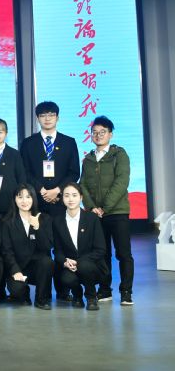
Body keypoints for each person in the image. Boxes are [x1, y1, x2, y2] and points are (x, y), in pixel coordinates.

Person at [20, 101, 80, 301]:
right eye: (43, 115)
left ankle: (63, 291)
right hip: (37, 203)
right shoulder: (28, 143)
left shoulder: (69, 142)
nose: (47, 119)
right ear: (37, 118)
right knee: (41, 247)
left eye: (51, 115)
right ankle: (43, 292)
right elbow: (25, 171)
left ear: (57, 117)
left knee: (63, 245)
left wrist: (57, 190)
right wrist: (41, 190)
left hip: (61, 203)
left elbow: (74, 172)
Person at [79, 116, 134, 306]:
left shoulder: (119, 154)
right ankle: (104, 290)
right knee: (102, 254)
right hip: (95, 214)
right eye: (94, 132)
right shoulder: (88, 159)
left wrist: (105, 207)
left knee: (123, 253)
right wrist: (91, 207)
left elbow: (121, 182)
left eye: (102, 132)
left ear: (110, 134)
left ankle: (126, 292)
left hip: (117, 212)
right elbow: (82, 185)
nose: (98, 135)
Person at [52, 183, 109, 311]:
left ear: (81, 197)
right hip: (70, 266)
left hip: (92, 265)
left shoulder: (92, 218)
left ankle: (91, 297)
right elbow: (57, 250)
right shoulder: (57, 221)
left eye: (74, 195)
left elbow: (100, 249)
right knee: (66, 279)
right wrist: (65, 262)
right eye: (67, 195)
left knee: (84, 266)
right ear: (62, 198)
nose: (70, 199)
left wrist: (79, 262)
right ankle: (77, 295)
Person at [1, 185, 54, 309]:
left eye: (28, 197)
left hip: (37, 267)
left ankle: (41, 299)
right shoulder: (7, 222)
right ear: (14, 200)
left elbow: (47, 246)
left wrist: (37, 228)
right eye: (20, 197)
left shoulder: (44, 218)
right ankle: (24, 294)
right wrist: (15, 270)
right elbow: (7, 251)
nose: (24, 201)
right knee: (17, 291)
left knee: (47, 262)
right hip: (18, 266)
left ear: (34, 198)